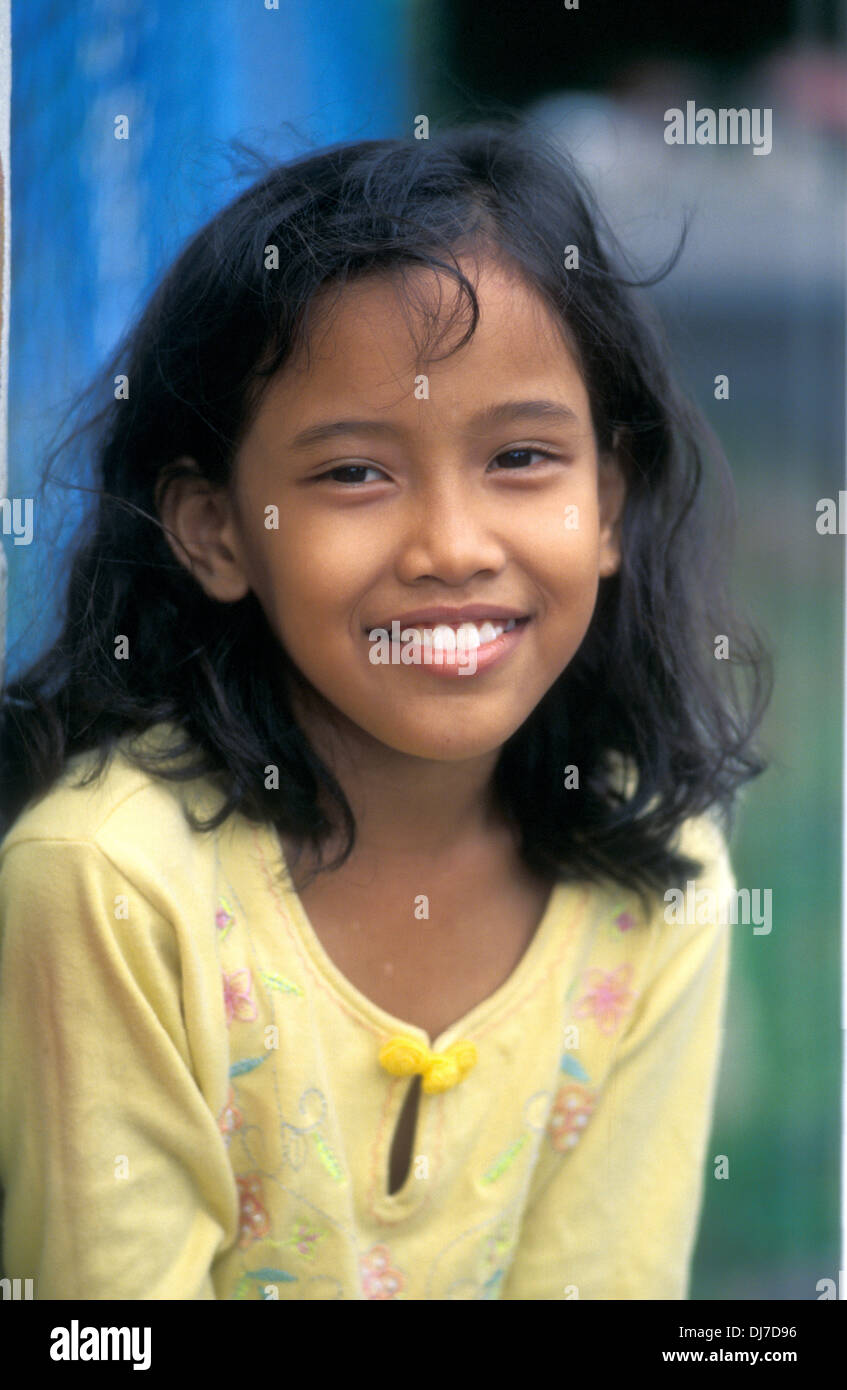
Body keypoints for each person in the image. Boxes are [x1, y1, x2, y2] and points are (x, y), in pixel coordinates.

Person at [0, 119, 771, 1300]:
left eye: (520, 457)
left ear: (607, 507)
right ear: (215, 532)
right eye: (354, 472)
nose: (451, 547)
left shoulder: (655, 875)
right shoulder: (109, 885)